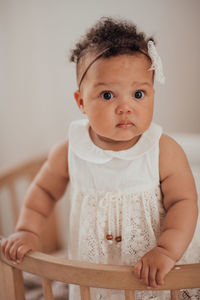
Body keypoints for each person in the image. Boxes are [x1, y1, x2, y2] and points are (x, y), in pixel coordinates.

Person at [1, 17, 200, 300]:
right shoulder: (71, 149)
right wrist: (26, 230)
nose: (125, 107)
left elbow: (184, 202)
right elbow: (43, 190)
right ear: (81, 101)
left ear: (153, 94)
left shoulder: (164, 151)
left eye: (139, 94)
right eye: (108, 95)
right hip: (92, 270)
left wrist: (167, 250)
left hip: (154, 267)